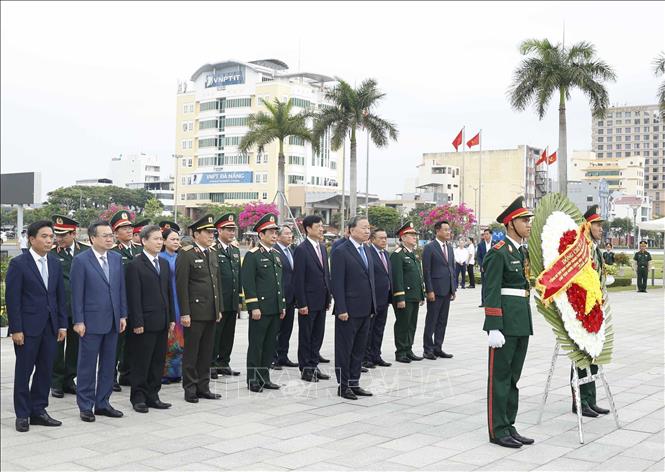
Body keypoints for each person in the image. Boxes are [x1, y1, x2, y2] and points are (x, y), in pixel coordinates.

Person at [6, 220, 67, 432]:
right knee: (24, 371)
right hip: (27, 329)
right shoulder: (19, 264)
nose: (49, 240)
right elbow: (12, 299)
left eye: (51, 237)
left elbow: (60, 297)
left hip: (51, 327)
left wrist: (62, 325)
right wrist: (16, 329)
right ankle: (22, 414)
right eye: (44, 236)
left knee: (45, 370)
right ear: (32, 239)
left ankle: (39, 410)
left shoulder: (56, 263)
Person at [483, 196, 534, 448]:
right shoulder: (498, 252)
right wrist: (493, 325)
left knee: (513, 378)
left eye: (528, 220)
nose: (528, 224)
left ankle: (509, 424)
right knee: (500, 378)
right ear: (510, 223)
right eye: (524, 220)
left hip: (520, 321)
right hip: (504, 324)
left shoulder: (522, 251)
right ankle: (497, 429)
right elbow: (490, 290)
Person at [71, 220, 128, 422]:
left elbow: (120, 289)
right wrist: (79, 320)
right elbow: (76, 294)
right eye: (104, 235)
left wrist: (123, 314)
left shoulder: (116, 258)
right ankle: (85, 405)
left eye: (110, 235)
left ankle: (103, 403)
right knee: (87, 365)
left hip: (113, 321)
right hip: (91, 322)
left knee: (108, 365)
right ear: (92, 238)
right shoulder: (81, 260)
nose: (109, 238)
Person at [125, 225, 174, 413]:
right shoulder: (135, 265)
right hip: (144, 323)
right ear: (144, 241)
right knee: (141, 361)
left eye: (161, 239)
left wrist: (169, 319)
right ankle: (138, 397)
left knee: (157, 361)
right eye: (156, 239)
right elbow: (134, 297)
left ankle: (153, 395)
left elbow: (167, 293)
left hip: (161, 321)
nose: (159, 242)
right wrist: (137, 322)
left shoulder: (162, 263)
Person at [175, 214, 222, 403]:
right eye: (208, 232)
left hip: (210, 311)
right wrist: (185, 312)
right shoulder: (186, 253)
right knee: (192, 352)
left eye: (213, 232)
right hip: (194, 313)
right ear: (196, 234)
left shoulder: (212, 252)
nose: (211, 235)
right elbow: (182, 285)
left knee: (206, 352)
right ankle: (190, 388)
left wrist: (218, 309)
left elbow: (215, 283)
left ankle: (204, 387)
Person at [570, 206, 610, 418]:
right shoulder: (580, 249)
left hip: (595, 309)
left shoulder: (594, 248)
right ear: (586, 226)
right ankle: (579, 401)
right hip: (582, 311)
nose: (601, 229)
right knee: (581, 356)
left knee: (593, 356)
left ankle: (590, 399)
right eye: (597, 225)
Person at [331, 216, 376, 400]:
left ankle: (354, 383)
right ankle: (343, 386)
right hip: (348, 310)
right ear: (351, 230)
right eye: (364, 228)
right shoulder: (341, 251)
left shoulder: (367, 249)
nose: (367, 231)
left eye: (368, 228)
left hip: (365, 309)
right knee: (345, 349)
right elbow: (337, 283)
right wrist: (341, 308)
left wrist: (373, 305)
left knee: (359, 349)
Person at [242, 213, 286, 392]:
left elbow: (279, 283)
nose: (275, 235)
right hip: (260, 309)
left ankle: (264, 377)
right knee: (256, 345)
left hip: (274, 308)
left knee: (269, 345)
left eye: (276, 232)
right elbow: (248, 283)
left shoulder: (276, 255)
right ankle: (253, 379)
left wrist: (282, 305)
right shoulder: (253, 256)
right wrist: (253, 307)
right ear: (261, 235)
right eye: (271, 232)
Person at [49, 215, 90, 399]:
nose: (59, 239)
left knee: (75, 346)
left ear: (74, 234)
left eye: (63, 235)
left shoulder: (86, 252)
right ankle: (55, 382)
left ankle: (68, 379)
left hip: (79, 308)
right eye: (57, 235)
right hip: (58, 309)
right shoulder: (51, 254)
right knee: (57, 346)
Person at [293, 215, 332, 382]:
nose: (322, 229)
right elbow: (298, 279)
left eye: (322, 226)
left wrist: (328, 296)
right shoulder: (302, 249)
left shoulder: (322, 248)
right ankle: (306, 369)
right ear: (308, 229)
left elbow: (326, 274)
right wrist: (301, 303)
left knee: (318, 335)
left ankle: (314, 364)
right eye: (318, 226)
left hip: (321, 300)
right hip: (308, 302)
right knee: (306, 336)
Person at [109, 210, 141, 391]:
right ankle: (110, 376)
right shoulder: (112, 252)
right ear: (115, 233)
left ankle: (126, 373)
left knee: (132, 341)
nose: (129, 230)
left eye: (130, 227)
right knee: (116, 343)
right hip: (118, 304)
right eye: (123, 228)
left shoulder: (139, 250)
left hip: (135, 303)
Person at [211, 213, 243, 378]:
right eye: (228, 230)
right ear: (219, 230)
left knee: (228, 334)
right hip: (219, 301)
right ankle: (211, 364)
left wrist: (239, 300)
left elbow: (238, 277)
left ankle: (224, 362)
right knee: (216, 334)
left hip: (231, 300)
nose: (232, 233)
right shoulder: (213, 249)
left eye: (233, 230)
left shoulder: (235, 250)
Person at [390, 222, 425, 364]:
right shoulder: (398, 255)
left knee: (412, 324)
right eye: (411, 235)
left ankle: (408, 349)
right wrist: (400, 297)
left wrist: (421, 295)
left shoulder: (412, 254)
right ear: (403, 237)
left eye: (415, 235)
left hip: (414, 296)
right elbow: (397, 278)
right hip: (404, 296)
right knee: (403, 324)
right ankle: (401, 352)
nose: (414, 237)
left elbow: (418, 276)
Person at [422, 220, 456, 360]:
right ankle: (428, 349)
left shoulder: (449, 247)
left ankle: (438, 347)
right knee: (432, 320)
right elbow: (427, 271)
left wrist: (453, 288)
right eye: (446, 229)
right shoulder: (430, 247)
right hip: (435, 291)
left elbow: (451, 268)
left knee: (442, 320)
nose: (449, 232)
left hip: (447, 290)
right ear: (438, 231)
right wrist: (429, 290)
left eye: (449, 230)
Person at [364, 227, 392, 368]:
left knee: (379, 328)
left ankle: (376, 355)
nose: (384, 240)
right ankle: (366, 357)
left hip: (385, 298)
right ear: (372, 239)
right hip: (373, 299)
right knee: (369, 329)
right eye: (381, 238)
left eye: (385, 238)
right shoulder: (368, 253)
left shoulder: (386, 254)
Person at [159, 223, 184, 384]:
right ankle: (164, 373)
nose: (176, 242)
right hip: (168, 298)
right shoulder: (160, 258)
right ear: (164, 241)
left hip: (181, 298)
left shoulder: (181, 257)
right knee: (168, 337)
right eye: (172, 239)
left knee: (181, 337)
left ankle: (177, 372)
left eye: (177, 239)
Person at [272, 225, 299, 370]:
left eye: (291, 234)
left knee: (287, 329)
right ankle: (273, 357)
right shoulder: (274, 251)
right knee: (276, 329)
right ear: (279, 235)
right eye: (287, 234)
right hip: (280, 296)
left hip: (291, 297)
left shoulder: (292, 251)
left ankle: (283, 355)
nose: (290, 236)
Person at [476, 229, 493, 307]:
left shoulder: (495, 244)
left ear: (490, 235)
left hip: (493, 268)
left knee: (493, 284)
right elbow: (478, 257)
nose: (485, 236)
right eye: (484, 234)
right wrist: (481, 265)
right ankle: (483, 302)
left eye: (487, 234)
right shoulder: (480, 245)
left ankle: (492, 301)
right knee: (485, 285)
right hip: (484, 268)